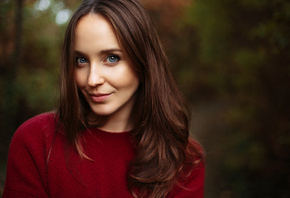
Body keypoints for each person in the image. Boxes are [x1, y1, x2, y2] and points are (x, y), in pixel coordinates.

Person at [3, 0, 205, 197]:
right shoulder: (35, 141)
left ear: (144, 61)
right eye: (81, 60)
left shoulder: (185, 159)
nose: (92, 79)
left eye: (112, 58)